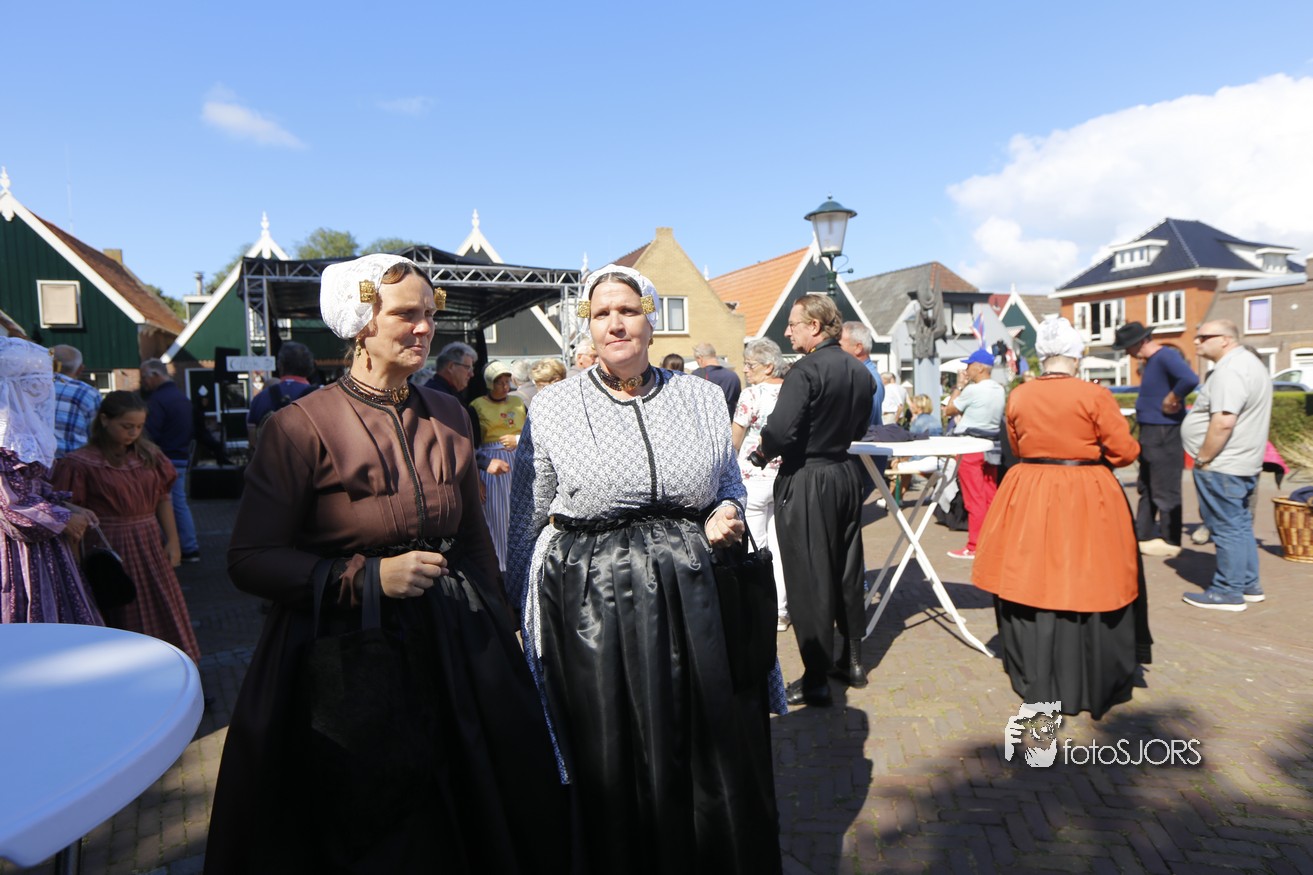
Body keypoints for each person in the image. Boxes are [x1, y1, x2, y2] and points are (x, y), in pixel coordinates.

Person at [205, 254, 567, 874]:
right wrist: (367, 577)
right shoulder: (298, 427)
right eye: (406, 314)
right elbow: (250, 559)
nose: (425, 328)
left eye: (429, 313)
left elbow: (472, 532)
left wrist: (500, 616)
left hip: (457, 638)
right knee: (377, 815)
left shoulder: (450, 412)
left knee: (480, 795)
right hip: (347, 644)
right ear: (360, 322)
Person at [507, 263, 782, 875]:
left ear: (650, 321)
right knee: (613, 743)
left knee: (705, 739)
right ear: (587, 327)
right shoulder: (553, 406)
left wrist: (729, 511)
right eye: (601, 313)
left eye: (627, 311)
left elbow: (728, 481)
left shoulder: (702, 397)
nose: (615, 324)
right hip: (593, 601)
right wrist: (517, 610)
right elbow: (528, 513)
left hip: (695, 591)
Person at [972, 316, 1149, 719]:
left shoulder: (1019, 395)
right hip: (1084, 488)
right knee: (1091, 573)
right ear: (1077, 355)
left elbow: (1016, 445)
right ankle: (1088, 675)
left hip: (1030, 487)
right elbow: (1123, 452)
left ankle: (1038, 670)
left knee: (1031, 575)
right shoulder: (1094, 395)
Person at [759, 293, 875, 705]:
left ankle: (816, 678)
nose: (787, 331)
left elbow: (780, 430)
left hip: (807, 478)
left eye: (793, 324)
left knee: (808, 576)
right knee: (847, 567)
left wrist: (763, 450)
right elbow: (860, 427)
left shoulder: (805, 371)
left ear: (814, 326)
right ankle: (854, 662)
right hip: (845, 473)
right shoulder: (860, 372)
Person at [52, 392, 200, 660]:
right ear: (105, 420)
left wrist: (174, 541)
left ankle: (171, 664)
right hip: (111, 544)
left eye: (139, 426)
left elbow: (163, 498)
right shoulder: (80, 463)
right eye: (127, 426)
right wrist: (76, 566)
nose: (133, 433)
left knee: (163, 604)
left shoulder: (149, 456)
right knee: (121, 606)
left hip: (149, 541)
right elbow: (71, 516)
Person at [1, 337, 102, 625]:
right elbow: (11, 508)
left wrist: (67, 506)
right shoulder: (3, 438)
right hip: (15, 550)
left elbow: (33, 486)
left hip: (41, 544)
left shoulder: (21, 431)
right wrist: (62, 519)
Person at [1180, 319, 1273, 611]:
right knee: (1239, 525)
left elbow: (1223, 421)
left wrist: (1204, 457)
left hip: (1223, 464)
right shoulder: (1249, 363)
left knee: (1226, 527)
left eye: (1204, 336)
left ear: (1225, 340)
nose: (1197, 341)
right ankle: (1248, 585)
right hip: (1241, 462)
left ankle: (1227, 591)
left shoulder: (1230, 370)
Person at [1112, 322, 1199, 558]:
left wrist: (1173, 397)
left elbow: (1189, 379)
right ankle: (1144, 534)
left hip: (1164, 430)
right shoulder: (1154, 361)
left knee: (1166, 486)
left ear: (1139, 342)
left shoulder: (1165, 356)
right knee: (1148, 484)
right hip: (1153, 430)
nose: (1127, 352)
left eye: (1128, 347)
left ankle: (1170, 539)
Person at [732, 338, 790, 632]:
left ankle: (759, 609)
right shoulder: (793, 392)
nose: (745, 369)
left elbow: (735, 439)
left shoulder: (751, 395)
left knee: (755, 547)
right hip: (783, 477)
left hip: (753, 477)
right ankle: (781, 610)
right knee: (780, 547)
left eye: (750, 364)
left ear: (768, 366)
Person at [943, 348, 1005, 560]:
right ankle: (993, 542)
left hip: (969, 447)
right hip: (991, 446)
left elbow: (949, 410)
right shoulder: (999, 389)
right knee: (990, 496)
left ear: (979, 368)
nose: (967, 369)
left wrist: (959, 386)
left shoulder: (973, 390)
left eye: (969, 365)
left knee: (974, 498)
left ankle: (974, 545)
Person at [139, 359, 200, 563]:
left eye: (144, 377)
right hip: (180, 456)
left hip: (164, 459)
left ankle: (183, 547)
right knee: (179, 502)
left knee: (170, 504)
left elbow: (150, 433)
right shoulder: (182, 397)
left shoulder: (157, 400)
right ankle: (189, 546)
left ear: (156, 375)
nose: (143, 382)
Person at [470, 360, 526, 571]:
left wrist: (517, 439)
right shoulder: (477, 406)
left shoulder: (519, 403)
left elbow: (532, 433)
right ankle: (500, 566)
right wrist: (478, 477)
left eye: (506, 381)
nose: (504, 386)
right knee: (497, 517)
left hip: (519, 463)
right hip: (493, 466)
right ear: (489, 383)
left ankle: (521, 560)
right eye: (498, 382)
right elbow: (472, 444)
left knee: (520, 515)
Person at [246, 341, 317, 445]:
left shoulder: (260, 398)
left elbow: (253, 440)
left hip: (271, 454)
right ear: (310, 366)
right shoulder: (321, 398)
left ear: (280, 365)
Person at [50, 344, 100, 458]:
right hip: (73, 461)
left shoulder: (24, 388)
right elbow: (96, 435)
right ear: (80, 369)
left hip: (30, 463)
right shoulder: (87, 393)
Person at [840, 322, 885, 431]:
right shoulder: (867, 376)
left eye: (840, 345)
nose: (835, 349)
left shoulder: (866, 379)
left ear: (858, 348)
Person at [691, 342, 742, 414]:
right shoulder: (733, 376)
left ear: (700, 358)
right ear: (714, 355)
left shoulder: (697, 375)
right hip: (729, 418)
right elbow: (738, 403)